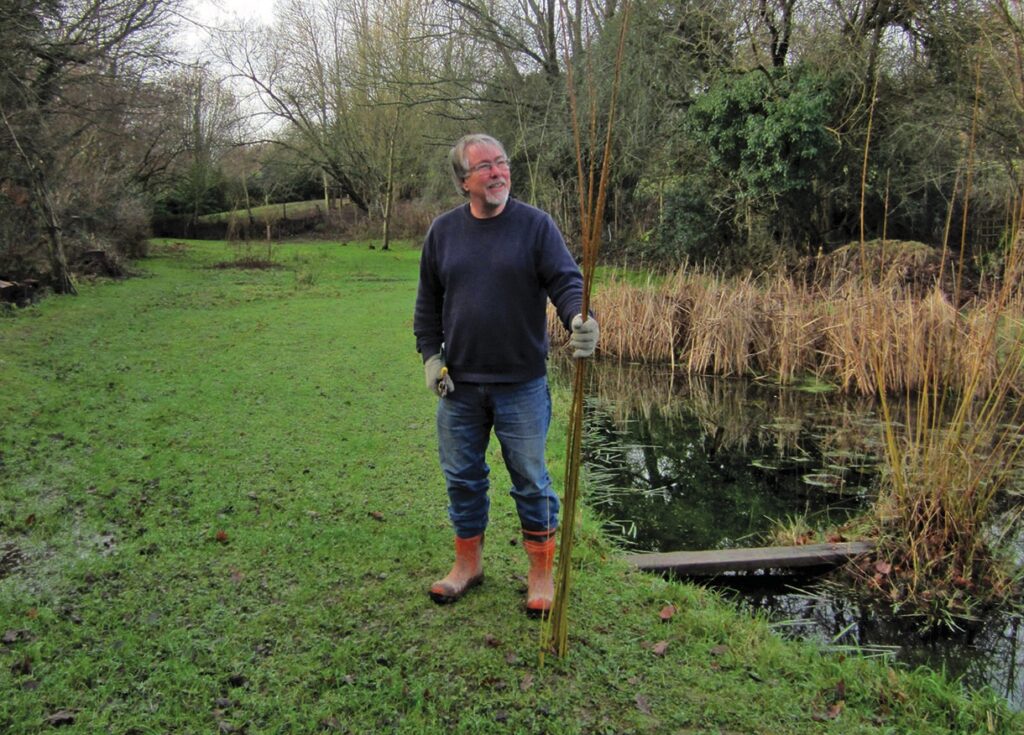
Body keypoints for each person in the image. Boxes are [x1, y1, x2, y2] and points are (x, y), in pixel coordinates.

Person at [413, 133, 599, 616]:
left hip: (521, 383)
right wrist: (432, 358)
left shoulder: (536, 227)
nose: (498, 173)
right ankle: (467, 566)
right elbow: (427, 307)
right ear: (463, 182)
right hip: (460, 386)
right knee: (463, 477)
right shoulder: (442, 233)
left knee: (531, 480)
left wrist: (580, 318)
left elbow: (566, 281)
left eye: (502, 163)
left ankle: (540, 574)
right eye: (485, 167)